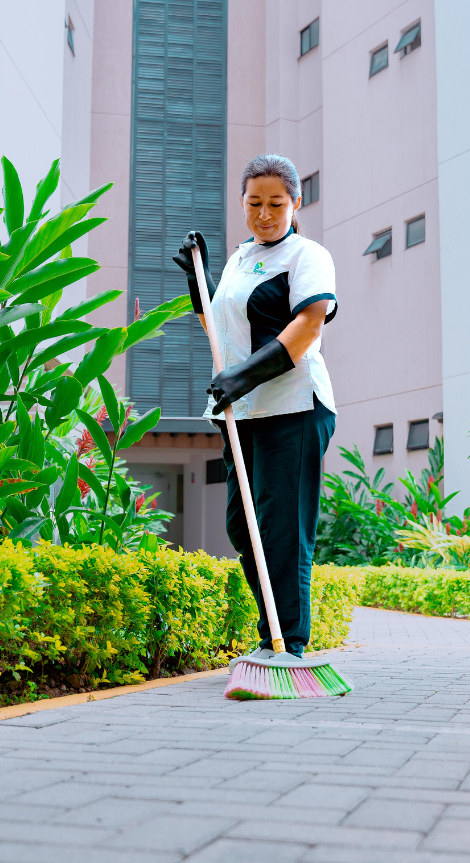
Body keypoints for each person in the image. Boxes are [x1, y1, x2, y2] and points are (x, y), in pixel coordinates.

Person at [172, 153, 337, 660]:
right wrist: (199, 290)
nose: (265, 214)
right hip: (240, 413)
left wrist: (243, 377)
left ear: (295, 203)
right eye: (254, 203)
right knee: (244, 528)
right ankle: (273, 636)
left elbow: (309, 325)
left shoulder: (308, 256)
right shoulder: (241, 256)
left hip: (292, 407)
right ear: (242, 204)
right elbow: (222, 337)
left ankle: (288, 645)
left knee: (282, 528)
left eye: (276, 203)